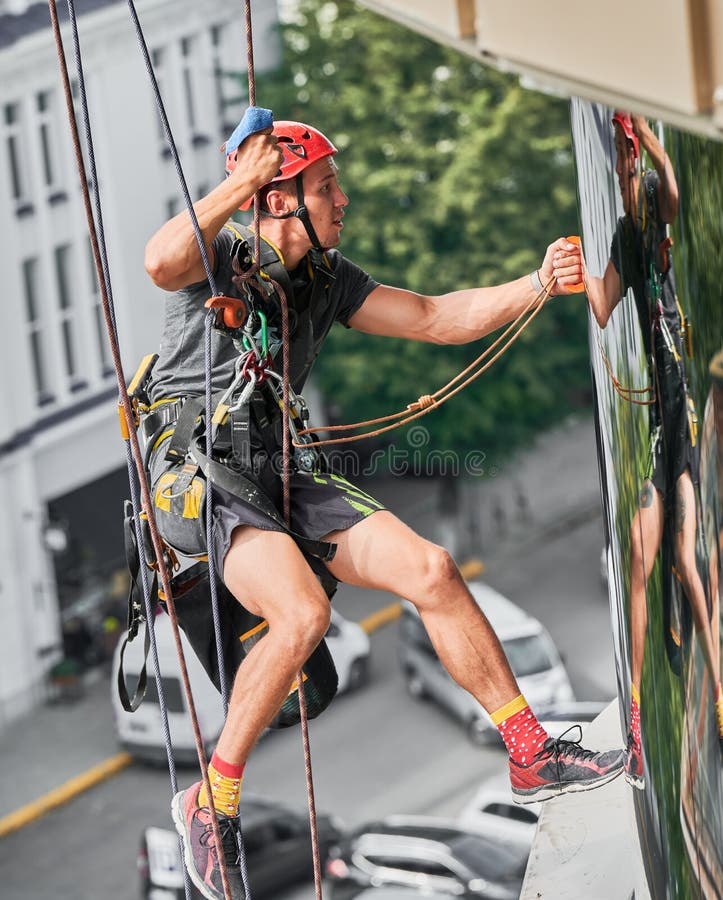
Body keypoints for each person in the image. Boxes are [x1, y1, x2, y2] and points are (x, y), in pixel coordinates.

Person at [144, 111, 625, 900]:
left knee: (431, 569)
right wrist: (238, 181)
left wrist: (536, 282)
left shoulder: (330, 280)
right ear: (277, 201)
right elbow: (159, 262)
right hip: (199, 472)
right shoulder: (218, 260)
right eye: (326, 188)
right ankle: (211, 800)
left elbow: (435, 318)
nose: (343, 202)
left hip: (279, 466)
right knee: (299, 616)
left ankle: (529, 750)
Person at [583, 111, 723, 791]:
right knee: (645, 559)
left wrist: (650, 136)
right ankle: (635, 720)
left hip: (683, 410)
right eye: (618, 154)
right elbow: (605, 306)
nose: (622, 166)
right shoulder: (623, 233)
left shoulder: (653, 217)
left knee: (684, 557)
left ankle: (720, 687)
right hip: (665, 419)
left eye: (625, 152)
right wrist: (568, 271)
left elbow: (670, 191)